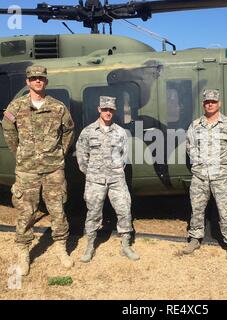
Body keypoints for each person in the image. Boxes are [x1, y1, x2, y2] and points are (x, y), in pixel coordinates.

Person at [2, 65, 75, 276]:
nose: (37, 81)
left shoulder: (58, 107)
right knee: (26, 211)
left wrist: (60, 151)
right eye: (33, 78)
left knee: (57, 209)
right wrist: (22, 153)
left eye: (41, 78)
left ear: (46, 81)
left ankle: (61, 247)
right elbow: (8, 131)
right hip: (27, 170)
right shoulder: (15, 107)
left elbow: (69, 129)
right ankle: (23, 251)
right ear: (27, 81)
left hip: (54, 169)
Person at [183, 89, 227, 261]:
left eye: (213, 101)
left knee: (226, 211)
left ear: (219, 103)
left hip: (222, 177)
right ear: (203, 104)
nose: (210, 104)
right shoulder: (195, 125)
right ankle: (195, 239)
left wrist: (225, 162)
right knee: (197, 209)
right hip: (200, 176)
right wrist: (198, 163)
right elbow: (190, 147)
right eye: (207, 102)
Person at [76, 96, 139, 262]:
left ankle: (126, 245)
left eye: (110, 109)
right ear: (99, 109)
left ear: (114, 111)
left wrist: (115, 170)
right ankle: (90, 245)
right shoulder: (88, 132)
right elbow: (82, 157)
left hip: (116, 179)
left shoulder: (120, 132)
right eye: (105, 109)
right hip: (95, 181)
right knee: (93, 213)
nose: (108, 112)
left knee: (124, 209)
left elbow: (124, 157)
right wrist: (92, 173)